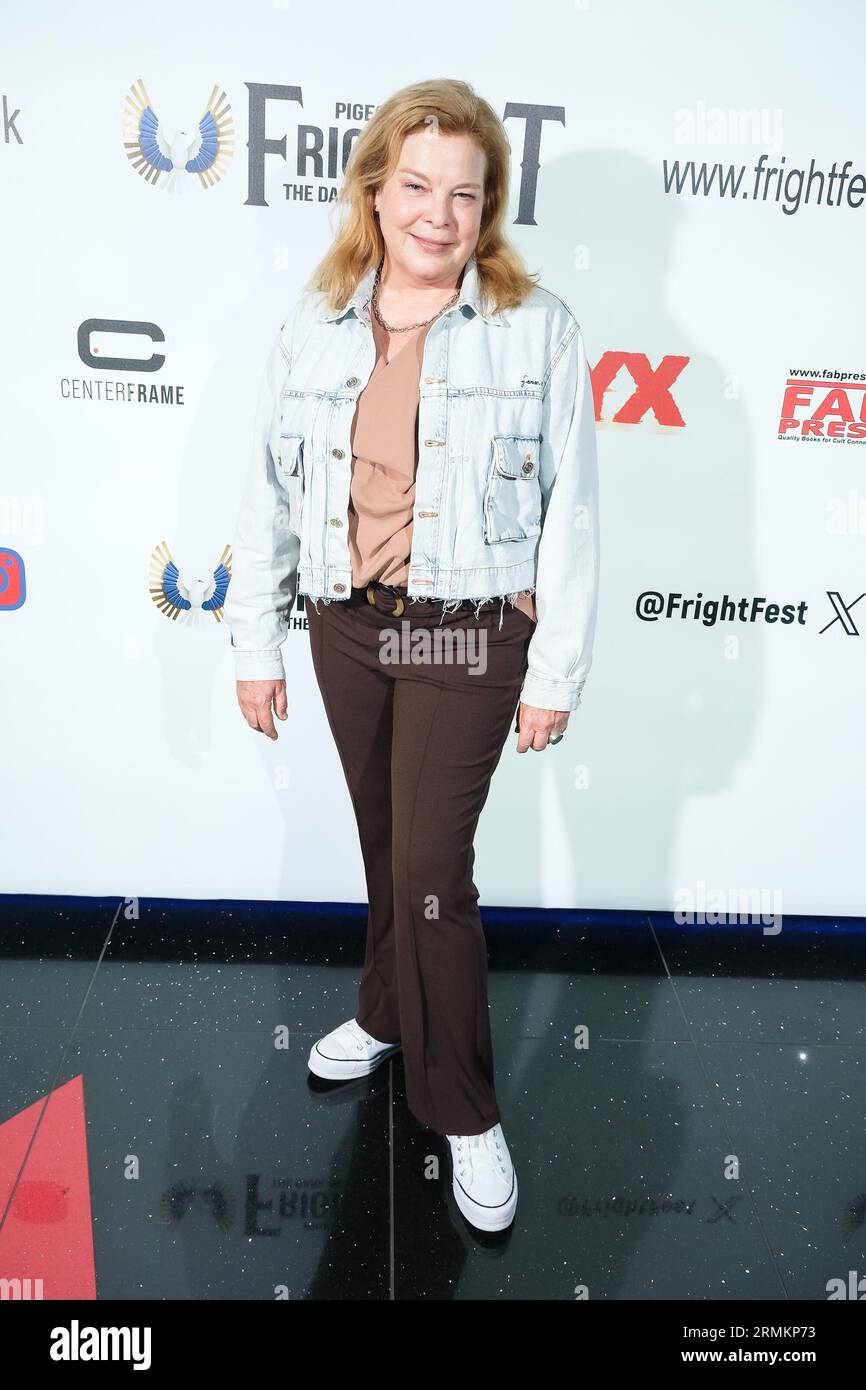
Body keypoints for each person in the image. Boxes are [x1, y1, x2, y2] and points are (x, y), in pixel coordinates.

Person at [224, 78, 600, 1233]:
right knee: (386, 842)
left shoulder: (535, 326)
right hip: (348, 624)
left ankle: (463, 1105)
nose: (438, 213)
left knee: (436, 876)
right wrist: (257, 639)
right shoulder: (318, 313)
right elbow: (268, 493)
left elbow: (570, 515)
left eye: (465, 192)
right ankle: (388, 1013)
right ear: (377, 189)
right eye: (417, 185)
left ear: (488, 207)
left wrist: (554, 673)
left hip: (467, 627)